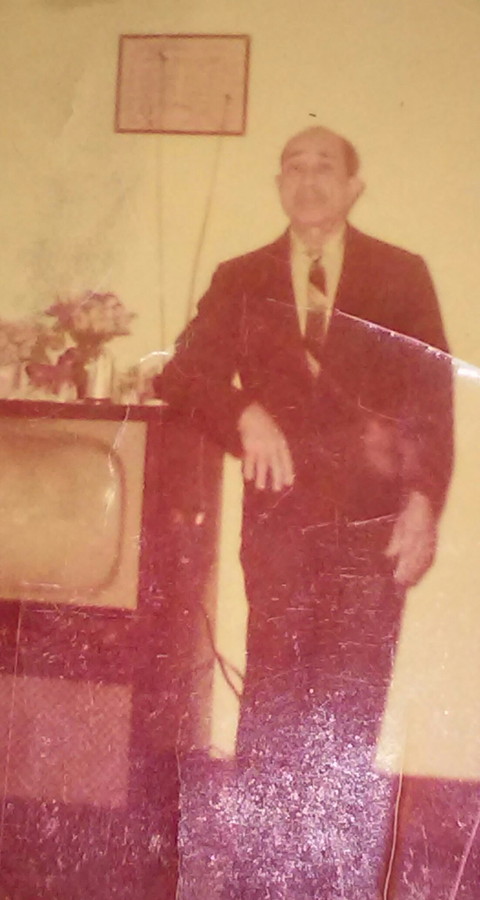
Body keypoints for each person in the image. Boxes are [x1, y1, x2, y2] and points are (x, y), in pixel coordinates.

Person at [156, 126, 453, 898]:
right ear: (278, 184)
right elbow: (180, 374)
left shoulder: (400, 274)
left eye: (326, 167)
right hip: (281, 526)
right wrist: (242, 411)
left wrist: (423, 502)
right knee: (274, 704)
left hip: (371, 529)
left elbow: (430, 400)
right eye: (294, 166)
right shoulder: (241, 277)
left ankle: (334, 883)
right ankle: (259, 881)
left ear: (354, 187)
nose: (309, 179)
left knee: (350, 707)